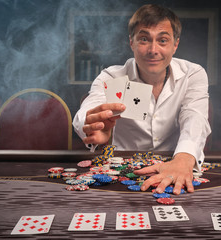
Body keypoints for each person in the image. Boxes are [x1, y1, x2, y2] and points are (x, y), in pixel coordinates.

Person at [73, 4, 211, 195]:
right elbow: (89, 107)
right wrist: (90, 123)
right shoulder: (112, 77)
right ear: (132, 42)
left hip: (175, 165)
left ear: (175, 44)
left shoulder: (193, 74)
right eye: (144, 39)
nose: (153, 49)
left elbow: (194, 117)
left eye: (162, 40)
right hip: (124, 172)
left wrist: (184, 159)